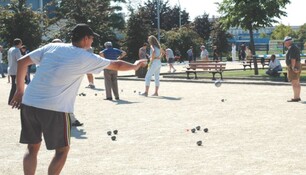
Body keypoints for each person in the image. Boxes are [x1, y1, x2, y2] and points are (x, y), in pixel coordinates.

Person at [9, 23, 147, 175]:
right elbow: (118, 64)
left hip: (29, 102)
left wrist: (20, 90)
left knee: (32, 147)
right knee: (62, 150)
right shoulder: (85, 57)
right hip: (55, 107)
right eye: (92, 38)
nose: (93, 41)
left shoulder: (52, 47)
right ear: (86, 38)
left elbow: (22, 62)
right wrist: (135, 66)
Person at [51, 38, 83, 127]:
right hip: (59, 84)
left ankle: (70, 119)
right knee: (65, 102)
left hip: (63, 84)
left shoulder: (50, 55)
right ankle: (69, 120)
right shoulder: (61, 55)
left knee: (66, 102)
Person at [284, 36, 301, 102]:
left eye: (285, 42)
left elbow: (293, 59)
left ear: (288, 42)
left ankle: (296, 97)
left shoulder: (292, 48)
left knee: (294, 82)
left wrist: (293, 67)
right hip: (297, 64)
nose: (285, 44)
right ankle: (297, 96)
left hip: (294, 65)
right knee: (297, 82)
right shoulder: (294, 47)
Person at [7, 38, 23, 105]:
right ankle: (12, 100)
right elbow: (20, 60)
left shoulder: (10, 49)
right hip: (16, 70)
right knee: (16, 86)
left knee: (14, 86)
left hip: (11, 69)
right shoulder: (17, 50)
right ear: (19, 43)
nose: (21, 45)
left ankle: (12, 100)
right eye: (21, 43)